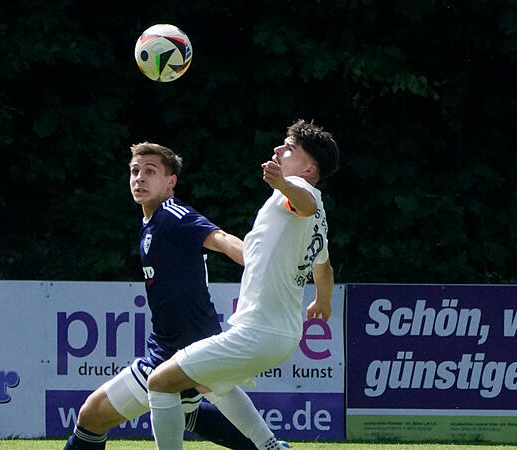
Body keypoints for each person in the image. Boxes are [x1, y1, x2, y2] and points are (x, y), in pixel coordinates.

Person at [64, 142, 288, 449]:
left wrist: (263, 265)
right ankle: (269, 446)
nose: (139, 178)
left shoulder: (172, 214)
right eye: (135, 171)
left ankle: (268, 445)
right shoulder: (152, 223)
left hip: (175, 351)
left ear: (171, 181)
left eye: (150, 171)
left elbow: (221, 239)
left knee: (91, 415)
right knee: (192, 404)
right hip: (179, 345)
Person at [146, 119, 340, 450]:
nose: (278, 149)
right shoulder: (318, 217)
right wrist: (323, 302)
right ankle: (269, 446)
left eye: (289, 148)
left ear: (308, 169)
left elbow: (304, 204)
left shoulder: (299, 191)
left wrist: (284, 184)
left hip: (259, 333)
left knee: (160, 382)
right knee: (212, 385)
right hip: (282, 335)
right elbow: (325, 269)